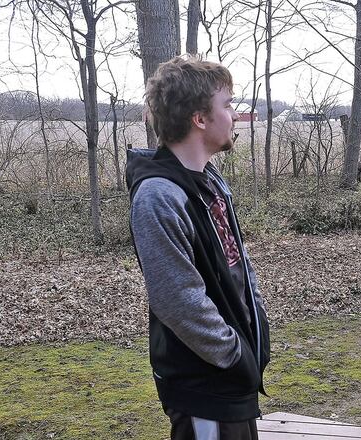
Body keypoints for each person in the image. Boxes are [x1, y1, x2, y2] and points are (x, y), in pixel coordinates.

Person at [126, 55, 270, 440]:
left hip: (230, 380)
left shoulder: (210, 179)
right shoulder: (159, 196)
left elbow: (238, 261)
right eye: (227, 104)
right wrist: (235, 355)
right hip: (202, 384)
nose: (236, 115)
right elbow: (179, 301)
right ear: (199, 119)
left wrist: (258, 324)